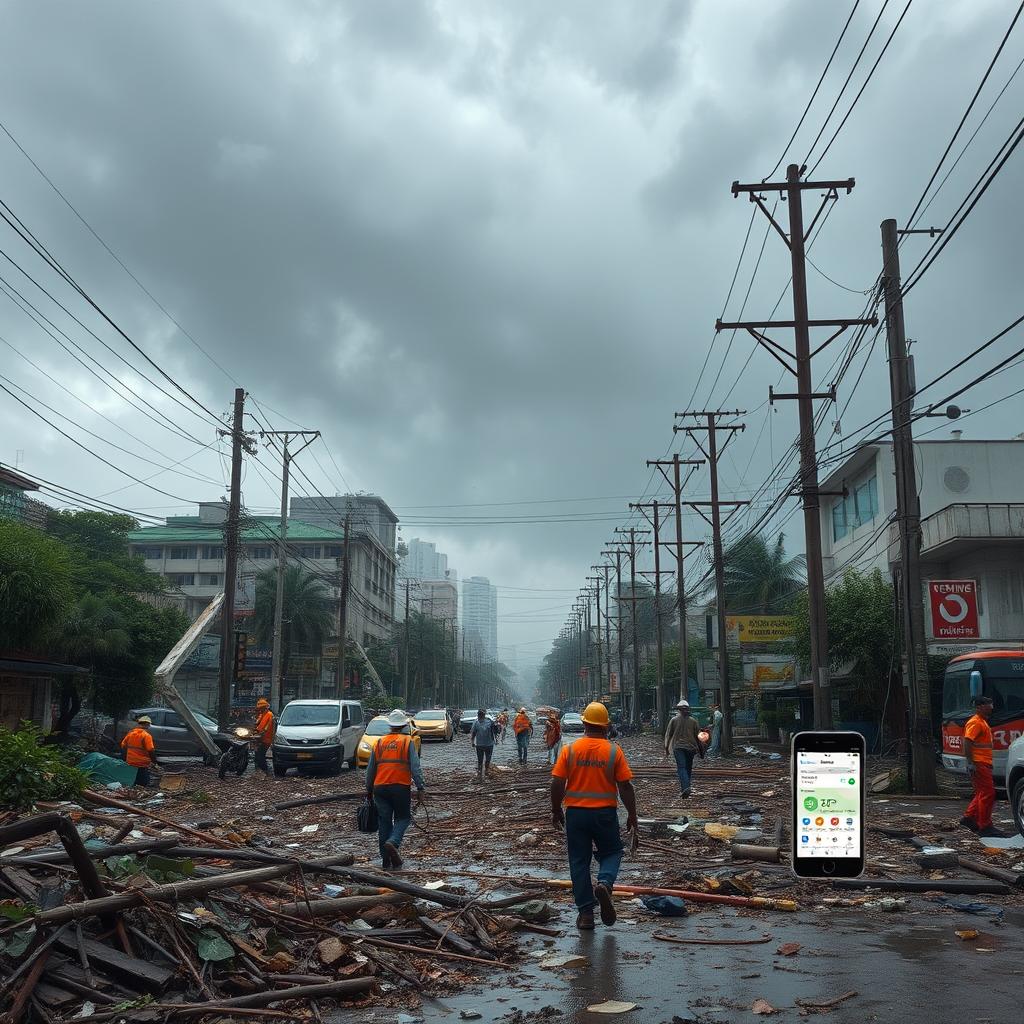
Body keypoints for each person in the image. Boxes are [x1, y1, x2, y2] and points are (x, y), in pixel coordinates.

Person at [550, 701, 638, 931]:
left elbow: (557, 781)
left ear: (584, 723)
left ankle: (586, 914)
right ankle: (605, 883)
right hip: (604, 814)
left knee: (579, 862)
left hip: (576, 815)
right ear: (606, 725)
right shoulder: (613, 750)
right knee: (613, 852)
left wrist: (556, 809)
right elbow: (625, 786)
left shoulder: (570, 749)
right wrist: (632, 815)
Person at [365, 710, 426, 868]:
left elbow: (370, 769)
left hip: (380, 788)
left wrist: (368, 790)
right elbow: (415, 767)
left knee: (384, 822)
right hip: (400, 787)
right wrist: (420, 787)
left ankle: (386, 860)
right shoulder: (407, 742)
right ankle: (393, 842)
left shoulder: (379, 742)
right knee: (403, 818)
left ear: (390, 726)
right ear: (405, 725)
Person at [961, 695, 1003, 837]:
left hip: (982, 762)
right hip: (979, 763)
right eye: (987, 704)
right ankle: (985, 826)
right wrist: (971, 762)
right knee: (988, 793)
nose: (991, 706)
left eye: (991, 703)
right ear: (979, 707)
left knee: (981, 793)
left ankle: (968, 818)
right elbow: (968, 741)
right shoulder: (976, 723)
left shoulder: (982, 722)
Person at [664, 699, 704, 797]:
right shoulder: (693, 721)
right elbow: (699, 737)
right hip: (690, 748)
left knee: (682, 768)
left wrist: (666, 748)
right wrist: (701, 750)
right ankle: (686, 787)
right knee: (687, 768)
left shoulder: (674, 720)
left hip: (679, 748)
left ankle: (686, 788)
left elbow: (668, 735)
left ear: (679, 710)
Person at [121, 715, 158, 787]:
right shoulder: (146, 736)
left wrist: (126, 758)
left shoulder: (130, 733)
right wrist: (154, 761)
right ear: (148, 724)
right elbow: (151, 750)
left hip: (130, 762)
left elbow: (123, 746)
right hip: (142, 763)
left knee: (133, 781)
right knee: (144, 783)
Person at [469, 708, 496, 783]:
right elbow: (473, 733)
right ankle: (480, 774)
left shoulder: (490, 722)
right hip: (479, 745)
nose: (480, 716)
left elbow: (495, 731)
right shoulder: (476, 723)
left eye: (481, 715)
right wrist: (472, 742)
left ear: (483, 715)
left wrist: (497, 729)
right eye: (479, 715)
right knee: (480, 760)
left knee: (488, 759)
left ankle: (486, 771)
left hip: (489, 744)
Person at [253, 698, 275, 773]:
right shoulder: (261, 714)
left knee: (260, 754)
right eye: (259, 708)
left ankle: (264, 769)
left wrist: (260, 733)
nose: (259, 710)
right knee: (257, 754)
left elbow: (266, 727)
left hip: (266, 739)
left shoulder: (269, 715)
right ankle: (259, 768)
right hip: (260, 738)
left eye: (261, 708)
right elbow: (257, 724)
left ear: (265, 708)